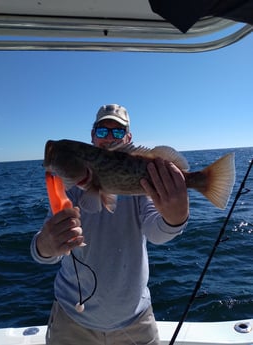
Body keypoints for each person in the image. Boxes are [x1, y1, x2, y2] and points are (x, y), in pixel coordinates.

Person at [31, 104, 189, 345]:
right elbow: (43, 253)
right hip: (72, 320)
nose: (108, 138)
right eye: (102, 131)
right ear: (92, 136)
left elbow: (156, 232)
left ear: (128, 137)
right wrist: (47, 244)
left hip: (135, 320)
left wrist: (176, 217)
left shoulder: (141, 187)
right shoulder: (70, 187)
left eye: (117, 132)